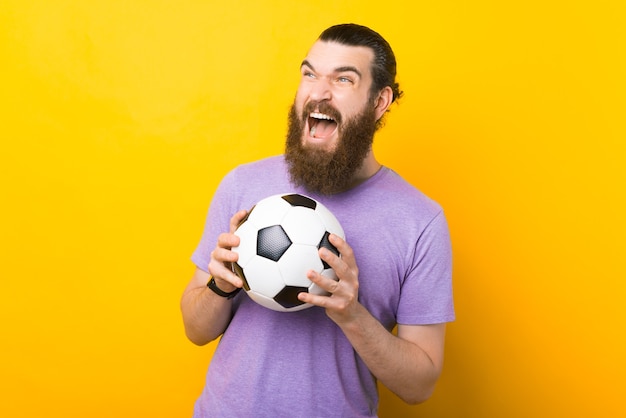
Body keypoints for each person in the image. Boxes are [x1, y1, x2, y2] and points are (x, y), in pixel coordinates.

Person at [180, 23, 455, 417]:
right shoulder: (243, 186)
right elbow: (195, 330)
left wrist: (352, 314)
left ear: (380, 101)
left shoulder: (420, 222)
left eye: (343, 79)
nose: (318, 92)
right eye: (309, 74)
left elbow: (420, 384)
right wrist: (219, 287)